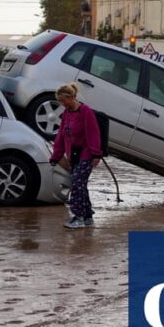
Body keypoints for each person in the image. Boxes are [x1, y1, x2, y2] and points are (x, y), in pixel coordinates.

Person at [49, 83, 103, 229]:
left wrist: (96, 154)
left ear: (72, 97)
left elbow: (93, 133)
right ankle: (87, 217)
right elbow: (61, 135)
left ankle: (77, 217)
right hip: (73, 156)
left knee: (77, 183)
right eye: (60, 101)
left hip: (86, 154)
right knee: (81, 186)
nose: (62, 103)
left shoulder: (85, 112)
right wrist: (56, 156)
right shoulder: (66, 113)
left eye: (63, 100)